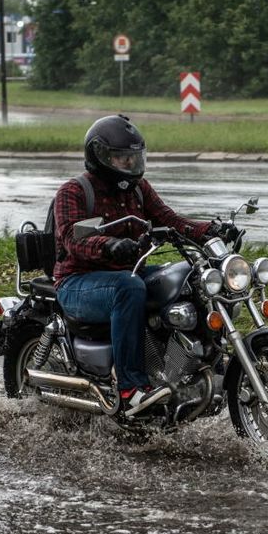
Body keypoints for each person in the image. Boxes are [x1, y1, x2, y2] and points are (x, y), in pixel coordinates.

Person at [52, 115, 238, 416]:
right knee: (129, 287)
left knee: (190, 277)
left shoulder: (138, 189)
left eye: (134, 158)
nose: (129, 165)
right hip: (78, 281)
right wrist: (109, 245)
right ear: (100, 157)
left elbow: (172, 221)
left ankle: (199, 363)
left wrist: (211, 230)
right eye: (121, 158)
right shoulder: (73, 192)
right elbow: (73, 238)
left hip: (129, 272)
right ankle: (131, 389)